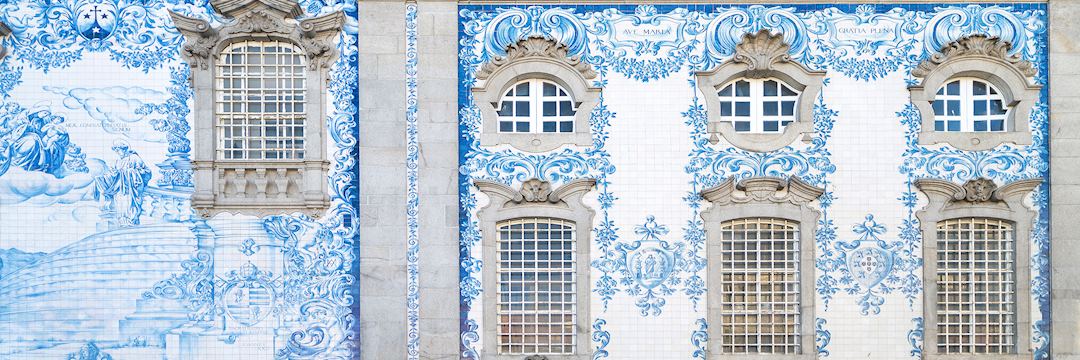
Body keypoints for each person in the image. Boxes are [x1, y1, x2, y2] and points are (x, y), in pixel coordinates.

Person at [95, 140, 152, 227]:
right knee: (120, 205)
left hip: (130, 189)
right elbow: (112, 173)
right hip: (119, 189)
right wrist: (105, 177)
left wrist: (130, 172)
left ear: (124, 149)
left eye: (118, 150)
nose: (117, 152)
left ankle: (130, 221)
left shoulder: (134, 158)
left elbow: (146, 171)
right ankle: (122, 222)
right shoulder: (117, 161)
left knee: (128, 205)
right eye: (116, 150)